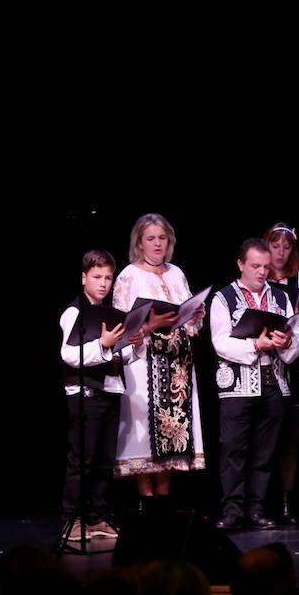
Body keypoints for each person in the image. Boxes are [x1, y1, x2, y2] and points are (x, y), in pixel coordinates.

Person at [210, 238, 299, 530]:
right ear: (241, 265)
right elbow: (220, 342)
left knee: (264, 453)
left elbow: (297, 338)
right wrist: (256, 344)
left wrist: (287, 342)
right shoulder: (223, 298)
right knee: (234, 451)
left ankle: (256, 509)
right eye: (255, 266)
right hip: (237, 386)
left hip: (273, 383)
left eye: (265, 266)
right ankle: (232, 511)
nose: (262, 272)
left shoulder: (280, 298)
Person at [112, 213, 206, 497]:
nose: (157, 244)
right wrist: (150, 325)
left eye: (162, 238)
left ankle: (163, 501)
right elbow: (121, 325)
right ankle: (146, 501)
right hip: (143, 361)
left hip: (176, 362)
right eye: (150, 238)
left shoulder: (176, 272)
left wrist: (195, 315)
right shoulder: (129, 275)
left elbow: (189, 320)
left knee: (172, 432)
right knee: (147, 435)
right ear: (139, 243)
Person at [59, 249, 136, 539]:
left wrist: (132, 343)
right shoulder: (75, 311)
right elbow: (68, 354)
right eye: (97, 277)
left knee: (104, 461)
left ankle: (95, 515)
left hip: (110, 391)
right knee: (82, 459)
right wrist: (103, 345)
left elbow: (124, 356)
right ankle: (72, 519)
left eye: (108, 277)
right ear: (84, 278)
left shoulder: (113, 312)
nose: (103, 283)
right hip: (84, 393)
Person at [264, 222, 299, 524]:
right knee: (268, 436)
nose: (281, 252)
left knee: (292, 438)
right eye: (275, 246)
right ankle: (264, 499)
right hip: (268, 360)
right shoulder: (260, 282)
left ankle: (286, 500)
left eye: (286, 246)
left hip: (297, 363)